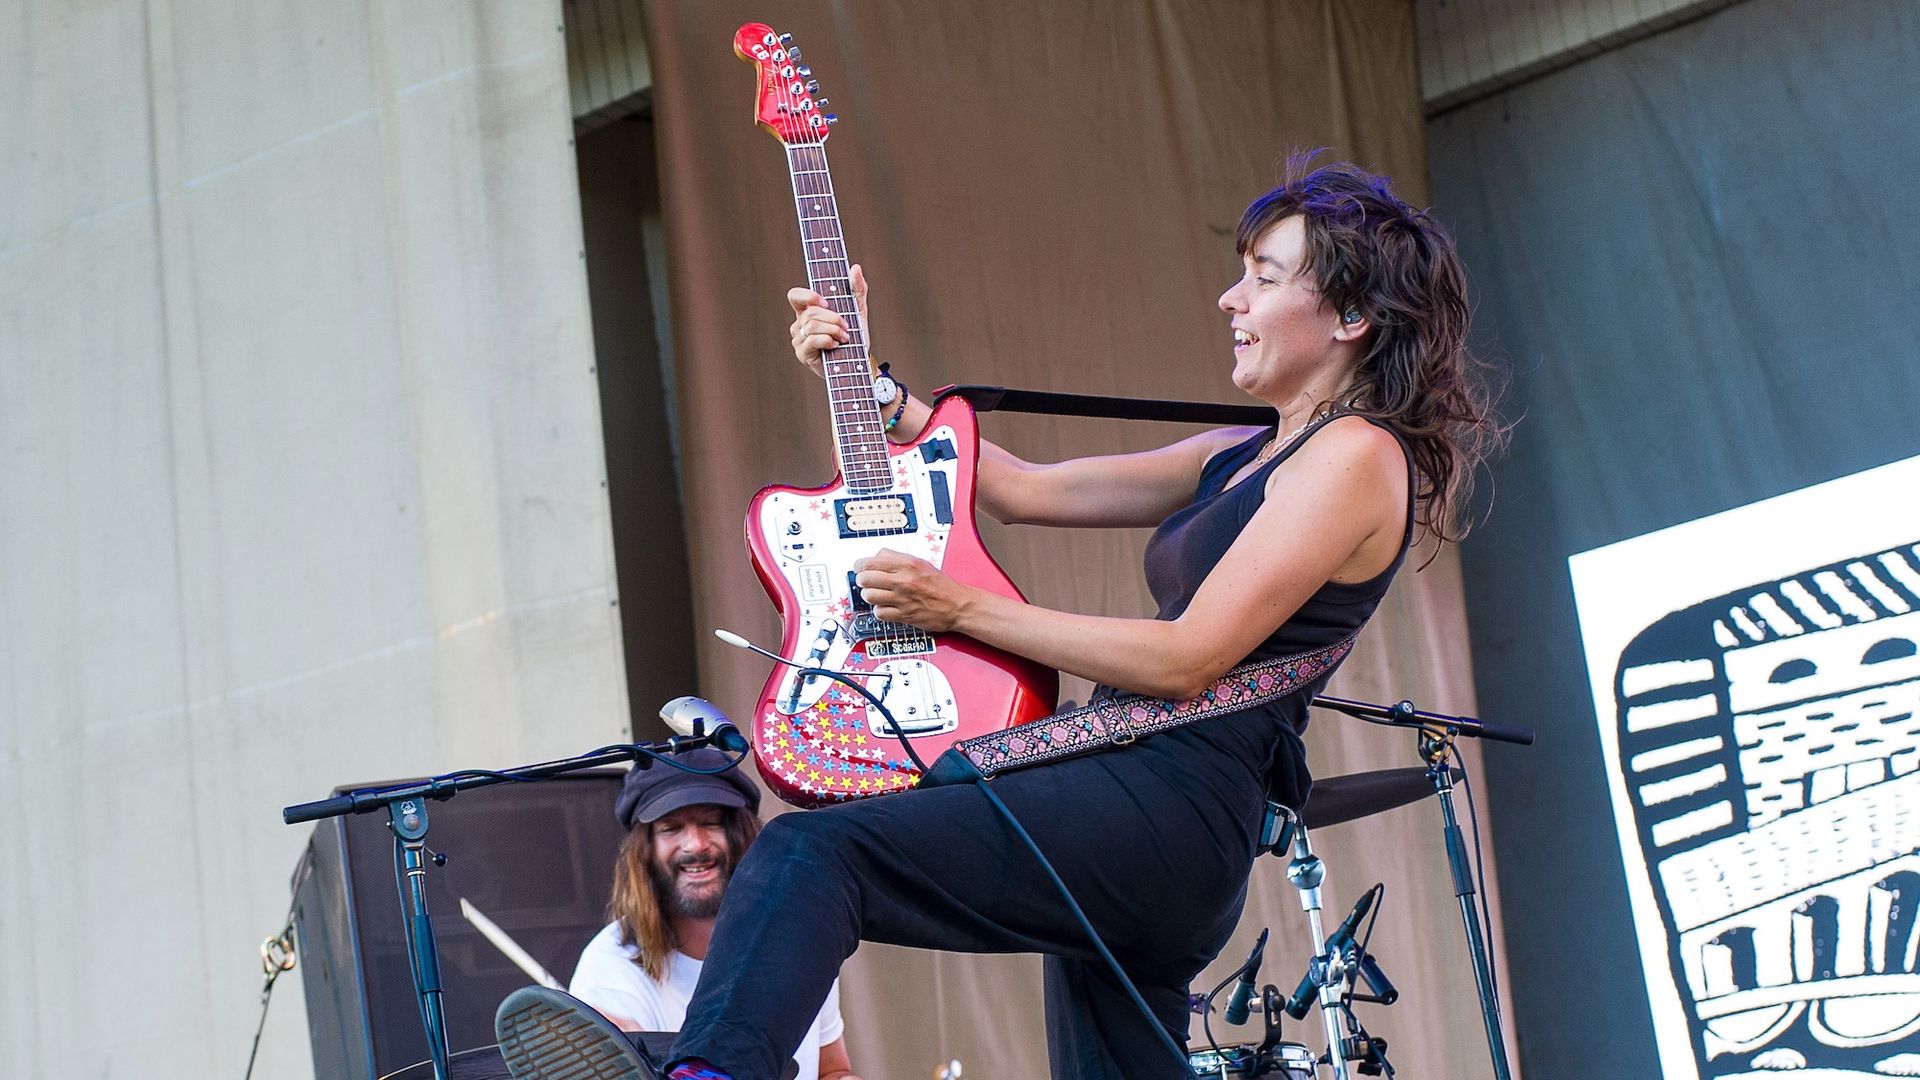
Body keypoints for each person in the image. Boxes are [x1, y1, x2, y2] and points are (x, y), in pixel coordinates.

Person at [504, 155, 1500, 1080]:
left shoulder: (1360, 456)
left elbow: (1191, 657)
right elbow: (1015, 488)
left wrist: (959, 606)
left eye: (1265, 277)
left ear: (1353, 314)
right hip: (1138, 799)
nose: (1231, 299)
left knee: (814, 852)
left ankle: (710, 1069)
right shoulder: (1237, 453)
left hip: (1177, 802)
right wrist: (864, 378)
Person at [565, 749, 863, 1080]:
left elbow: (832, 1070)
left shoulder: (799, 941)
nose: (695, 844)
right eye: (671, 828)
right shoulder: (611, 970)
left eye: (711, 822)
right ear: (643, 850)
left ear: (746, 835)